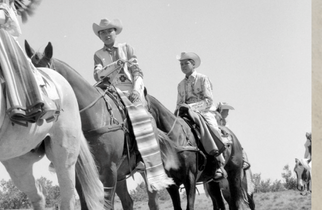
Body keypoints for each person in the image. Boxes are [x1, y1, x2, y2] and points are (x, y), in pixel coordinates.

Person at [93, 18, 173, 192]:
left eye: (109, 31)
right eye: (103, 32)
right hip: (110, 90)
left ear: (115, 32)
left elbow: (137, 71)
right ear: (100, 36)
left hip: (130, 89)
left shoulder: (127, 48)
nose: (106, 35)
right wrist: (115, 65)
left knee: (141, 118)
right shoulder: (98, 54)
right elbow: (98, 75)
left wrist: (137, 91)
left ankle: (145, 159)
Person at [176, 52, 228, 181]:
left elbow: (209, 101)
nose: (183, 66)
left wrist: (191, 107)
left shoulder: (203, 78)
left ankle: (218, 163)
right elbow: (178, 103)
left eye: (186, 63)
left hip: (204, 112)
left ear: (193, 64)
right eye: (181, 64)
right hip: (185, 114)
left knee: (212, 128)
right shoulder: (180, 85)